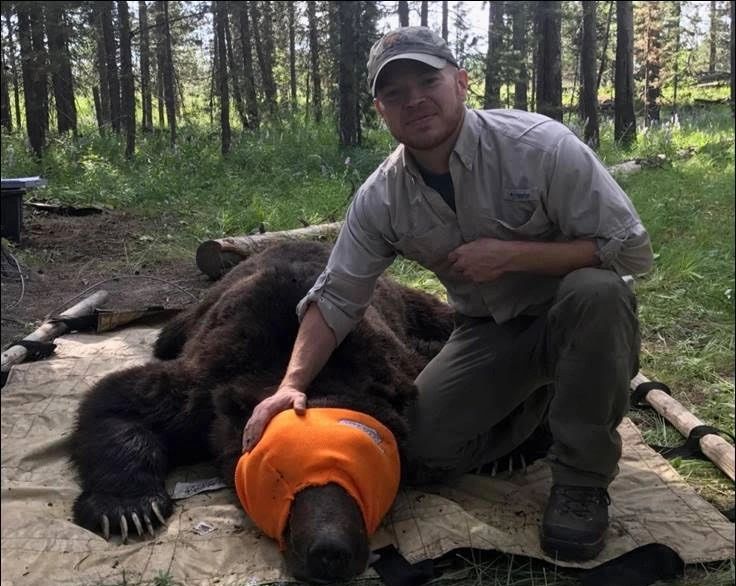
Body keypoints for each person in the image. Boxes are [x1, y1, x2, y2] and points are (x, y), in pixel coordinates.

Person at [242, 26, 653, 562]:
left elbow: (631, 251)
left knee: (596, 292)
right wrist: (290, 385)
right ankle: (543, 402)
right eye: (394, 93)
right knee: (422, 451)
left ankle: (581, 480)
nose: (414, 100)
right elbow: (338, 295)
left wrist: (515, 255)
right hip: (489, 331)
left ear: (461, 82)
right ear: (380, 110)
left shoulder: (540, 147)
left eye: (427, 80)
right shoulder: (381, 198)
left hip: (580, 321)